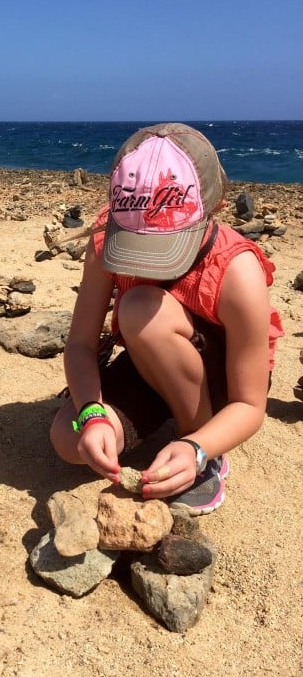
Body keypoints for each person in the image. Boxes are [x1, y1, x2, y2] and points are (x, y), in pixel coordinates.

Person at [50, 122, 284, 515]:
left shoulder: (237, 270)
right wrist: (91, 414)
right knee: (67, 440)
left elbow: (249, 404)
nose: (145, 262)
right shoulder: (105, 239)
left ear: (216, 208)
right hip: (152, 360)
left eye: (163, 246)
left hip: (224, 377)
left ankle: (202, 449)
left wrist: (198, 447)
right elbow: (80, 346)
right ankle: (171, 418)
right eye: (136, 244)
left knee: (141, 307)